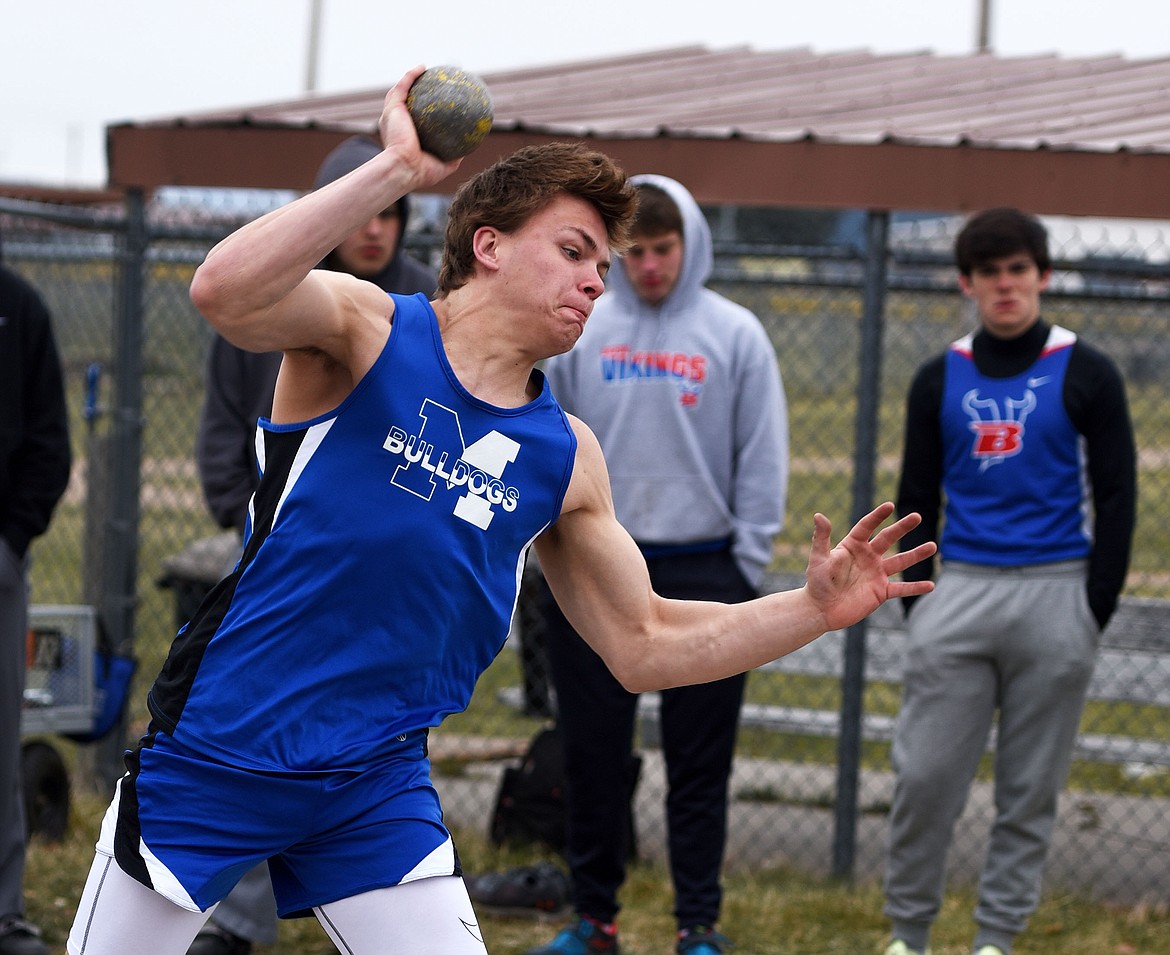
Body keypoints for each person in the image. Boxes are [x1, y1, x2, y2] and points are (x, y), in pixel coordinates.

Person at [66, 66, 935, 955]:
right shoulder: (367, 332)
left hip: (373, 782)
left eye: (603, 265)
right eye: (573, 251)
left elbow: (644, 642)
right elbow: (224, 291)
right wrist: (396, 170)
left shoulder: (565, 456)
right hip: (222, 751)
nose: (598, 281)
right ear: (488, 245)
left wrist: (811, 610)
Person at [187, 135, 439, 955]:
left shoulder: (423, 315)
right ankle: (237, 918)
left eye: (394, 214)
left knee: (371, 748)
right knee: (256, 736)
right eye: (367, 209)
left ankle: (368, 914)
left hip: (377, 584)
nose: (378, 229)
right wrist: (244, 512)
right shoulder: (275, 297)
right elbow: (226, 420)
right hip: (272, 558)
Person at [526, 176, 788, 955]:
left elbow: (762, 456)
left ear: (691, 245)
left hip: (706, 567)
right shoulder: (585, 326)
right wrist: (558, 553)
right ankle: (593, 918)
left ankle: (697, 924)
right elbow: (549, 436)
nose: (648, 266)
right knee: (592, 753)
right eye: (632, 252)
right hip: (596, 570)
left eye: (663, 250)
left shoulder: (734, 334)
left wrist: (744, 564)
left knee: (700, 765)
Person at [882, 207, 1136, 955]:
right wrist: (920, 606)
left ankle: (995, 937)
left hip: (1059, 593)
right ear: (967, 282)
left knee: (1028, 791)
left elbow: (1120, 497)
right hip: (959, 590)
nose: (1005, 286)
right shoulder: (939, 377)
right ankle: (908, 933)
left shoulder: (1088, 371)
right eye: (989, 273)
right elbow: (917, 493)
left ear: (1043, 276)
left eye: (1018, 270)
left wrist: (1093, 606)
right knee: (925, 778)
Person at [0, 237, 73, 955]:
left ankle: (2, 911)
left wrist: (12, 539)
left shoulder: (18, 308)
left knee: (0, 739)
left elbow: (50, 441)